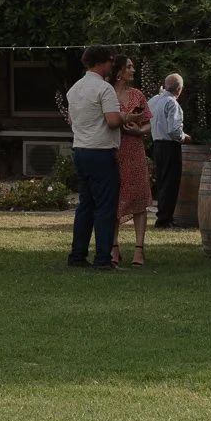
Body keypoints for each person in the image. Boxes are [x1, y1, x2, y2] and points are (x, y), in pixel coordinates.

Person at [65, 45, 123, 270]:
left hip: (80, 149)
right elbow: (112, 121)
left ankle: (77, 255)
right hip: (101, 151)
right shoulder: (104, 89)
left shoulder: (74, 89)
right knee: (106, 207)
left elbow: (72, 121)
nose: (112, 66)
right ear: (101, 63)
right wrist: (124, 117)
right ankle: (103, 259)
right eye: (110, 61)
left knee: (85, 205)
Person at [113, 55, 153, 266]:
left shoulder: (137, 95)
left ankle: (139, 249)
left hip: (135, 151)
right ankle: (114, 247)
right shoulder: (107, 94)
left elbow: (149, 124)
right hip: (113, 150)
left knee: (139, 198)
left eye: (133, 66)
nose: (133, 70)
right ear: (118, 71)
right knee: (114, 197)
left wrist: (140, 130)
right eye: (129, 67)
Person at [147, 73, 187, 229]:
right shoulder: (172, 103)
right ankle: (165, 219)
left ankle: (162, 216)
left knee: (162, 181)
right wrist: (185, 137)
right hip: (170, 146)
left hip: (157, 144)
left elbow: (148, 110)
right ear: (179, 89)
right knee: (171, 182)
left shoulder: (155, 100)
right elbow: (174, 131)